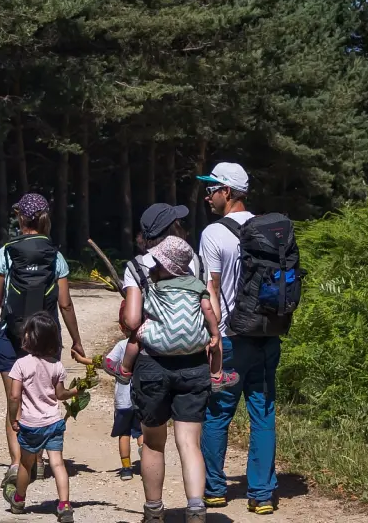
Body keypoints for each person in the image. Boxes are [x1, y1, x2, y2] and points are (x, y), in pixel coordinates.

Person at [0, 193, 88, 503]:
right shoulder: (55, 255)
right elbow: (65, 304)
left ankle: (18, 463)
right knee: (44, 398)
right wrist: (76, 340)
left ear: (20, 217)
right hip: (46, 338)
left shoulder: (8, 252)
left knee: (15, 400)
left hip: (11, 337)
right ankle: (37, 459)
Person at [197, 161, 283, 515]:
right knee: (263, 412)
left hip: (231, 338)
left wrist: (212, 337)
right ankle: (261, 495)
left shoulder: (213, 234)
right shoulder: (269, 229)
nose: (207, 196)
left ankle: (214, 489)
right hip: (267, 334)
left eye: (211, 189)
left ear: (227, 192)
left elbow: (212, 289)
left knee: (218, 413)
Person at [121, 235, 223, 523]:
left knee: (153, 443)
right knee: (190, 443)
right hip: (194, 366)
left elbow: (132, 321)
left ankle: (154, 511)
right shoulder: (197, 282)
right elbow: (214, 314)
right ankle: (196, 509)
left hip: (153, 366)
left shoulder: (151, 285)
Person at [105, 202, 202, 384]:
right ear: (173, 229)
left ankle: (124, 370)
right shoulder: (198, 262)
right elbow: (214, 313)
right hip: (195, 359)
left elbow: (132, 321)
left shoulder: (137, 266)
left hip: (152, 361)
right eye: (180, 223)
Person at [7, 312, 80, 522]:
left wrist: (13, 418)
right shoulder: (56, 365)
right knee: (57, 464)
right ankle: (64, 505)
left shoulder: (21, 364)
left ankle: (19, 499)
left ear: (31, 338)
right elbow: (60, 394)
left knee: (25, 464)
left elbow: (14, 396)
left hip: (30, 424)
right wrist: (76, 391)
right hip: (54, 422)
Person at [105, 336, 142, 478]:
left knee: (124, 434)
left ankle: (126, 469)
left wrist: (118, 371)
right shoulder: (146, 344)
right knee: (141, 432)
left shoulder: (122, 345)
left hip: (123, 400)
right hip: (141, 399)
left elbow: (108, 362)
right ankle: (146, 458)